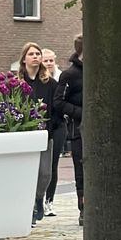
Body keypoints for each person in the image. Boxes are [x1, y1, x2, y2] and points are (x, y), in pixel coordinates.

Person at [19, 42, 58, 226]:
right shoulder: (17, 82)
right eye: (31, 54)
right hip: (24, 135)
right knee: (27, 172)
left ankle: (38, 197)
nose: (35, 57)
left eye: (37, 54)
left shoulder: (49, 82)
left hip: (44, 133)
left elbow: (57, 104)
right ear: (24, 58)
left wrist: (53, 126)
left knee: (44, 173)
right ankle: (30, 208)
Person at [55, 35, 85, 226]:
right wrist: (82, 113)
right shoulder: (70, 75)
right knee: (81, 170)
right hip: (78, 129)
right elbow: (58, 102)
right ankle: (84, 209)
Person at [40, 48, 67, 216]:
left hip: (58, 125)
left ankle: (49, 201)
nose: (49, 63)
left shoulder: (61, 78)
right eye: (46, 60)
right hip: (43, 125)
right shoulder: (41, 80)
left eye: (51, 60)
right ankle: (37, 199)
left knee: (53, 164)